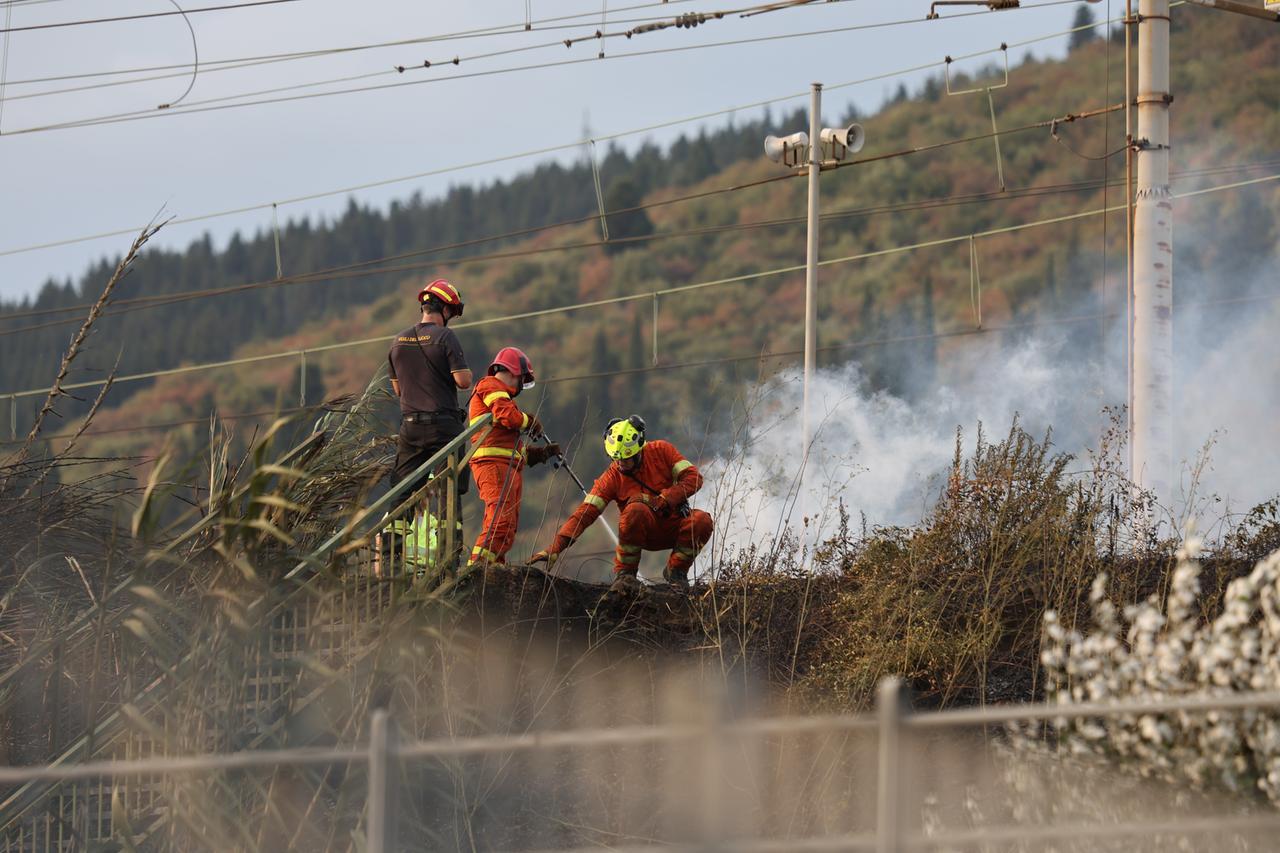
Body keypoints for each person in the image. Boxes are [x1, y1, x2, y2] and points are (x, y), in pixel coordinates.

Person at [530, 415, 713, 591]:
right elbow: (584, 514)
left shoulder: (662, 451)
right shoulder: (611, 478)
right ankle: (626, 575)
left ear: (639, 450)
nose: (621, 464)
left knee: (702, 521)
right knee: (635, 510)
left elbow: (693, 477)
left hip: (673, 526)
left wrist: (666, 498)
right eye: (615, 459)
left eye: (626, 459)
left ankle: (677, 572)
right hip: (640, 531)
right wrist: (555, 547)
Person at [384, 280, 471, 560]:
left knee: (403, 490)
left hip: (410, 428)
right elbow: (464, 381)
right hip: (444, 427)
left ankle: (389, 556)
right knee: (450, 488)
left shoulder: (398, 341)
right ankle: (450, 555)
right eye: (452, 312)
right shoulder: (445, 338)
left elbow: (398, 390)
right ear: (444, 308)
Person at [467, 346, 560, 566]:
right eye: (522, 380)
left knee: (507, 526)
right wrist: (529, 421)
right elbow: (509, 417)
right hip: (492, 466)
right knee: (499, 521)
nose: (520, 387)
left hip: (504, 466)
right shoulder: (490, 386)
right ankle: (477, 569)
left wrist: (540, 454)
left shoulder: (502, 397)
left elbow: (507, 446)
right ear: (513, 372)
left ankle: (494, 568)